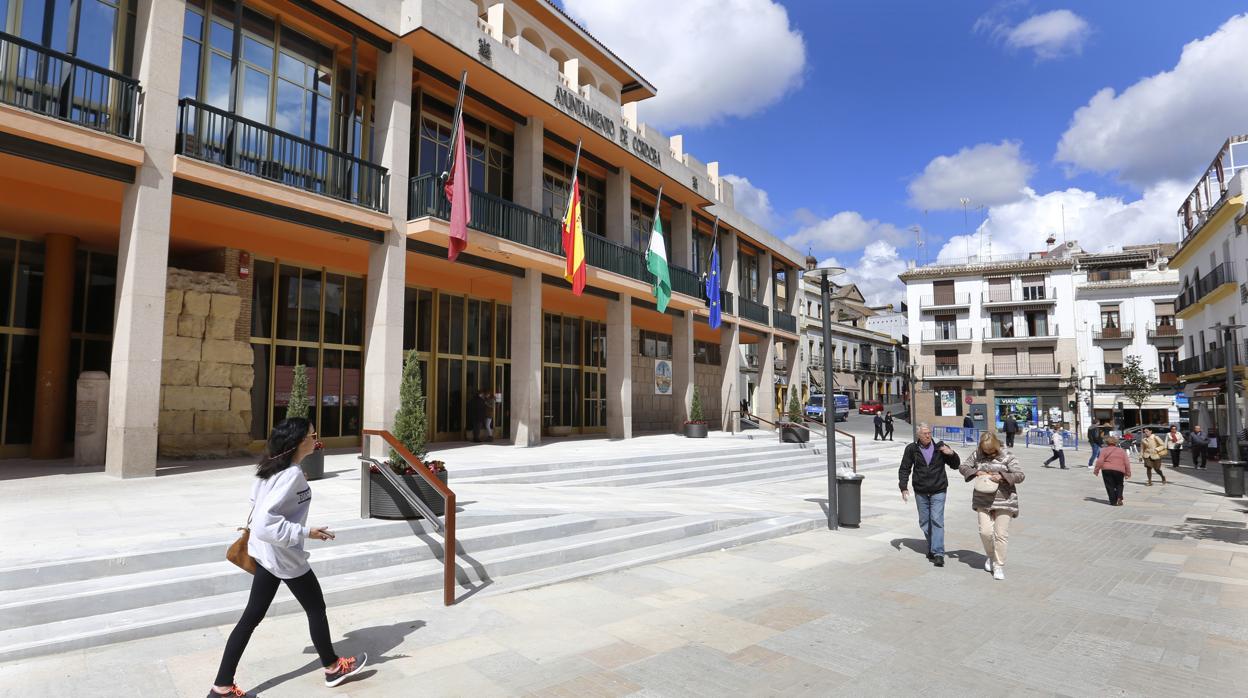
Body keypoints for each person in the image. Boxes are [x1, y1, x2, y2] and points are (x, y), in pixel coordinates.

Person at [209, 418, 367, 697]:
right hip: (284, 558)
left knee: (251, 618)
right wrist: (307, 531)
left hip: (268, 555)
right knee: (316, 608)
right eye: (312, 435)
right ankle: (332, 667)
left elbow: (256, 506)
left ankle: (221, 686)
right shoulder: (291, 474)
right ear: (297, 442)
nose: (316, 440)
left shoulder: (270, 468)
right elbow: (263, 523)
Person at [958, 432, 1024, 581]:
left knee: (1001, 534)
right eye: (985, 450)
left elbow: (1020, 475)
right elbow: (963, 467)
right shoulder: (977, 454)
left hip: (1005, 499)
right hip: (983, 498)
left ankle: (998, 565)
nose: (988, 453)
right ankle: (991, 556)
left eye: (990, 450)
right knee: (985, 532)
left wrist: (1003, 476)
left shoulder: (1007, 455)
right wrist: (976, 472)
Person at [898, 423, 962, 567]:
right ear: (918, 435)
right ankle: (933, 546)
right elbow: (904, 468)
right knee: (924, 522)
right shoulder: (911, 449)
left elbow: (955, 465)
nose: (928, 435)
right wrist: (903, 486)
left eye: (929, 433)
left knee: (936, 520)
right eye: (925, 433)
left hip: (938, 489)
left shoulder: (940, 447)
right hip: (920, 490)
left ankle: (938, 552)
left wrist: (951, 454)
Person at [1093, 434, 1132, 506]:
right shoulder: (1122, 451)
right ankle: (1119, 498)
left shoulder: (1104, 450)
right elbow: (1127, 462)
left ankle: (1113, 501)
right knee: (1119, 484)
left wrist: (1096, 470)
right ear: (1116, 443)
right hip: (1119, 470)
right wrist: (1128, 473)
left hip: (1107, 470)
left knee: (1109, 485)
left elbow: (1100, 461)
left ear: (1107, 443)